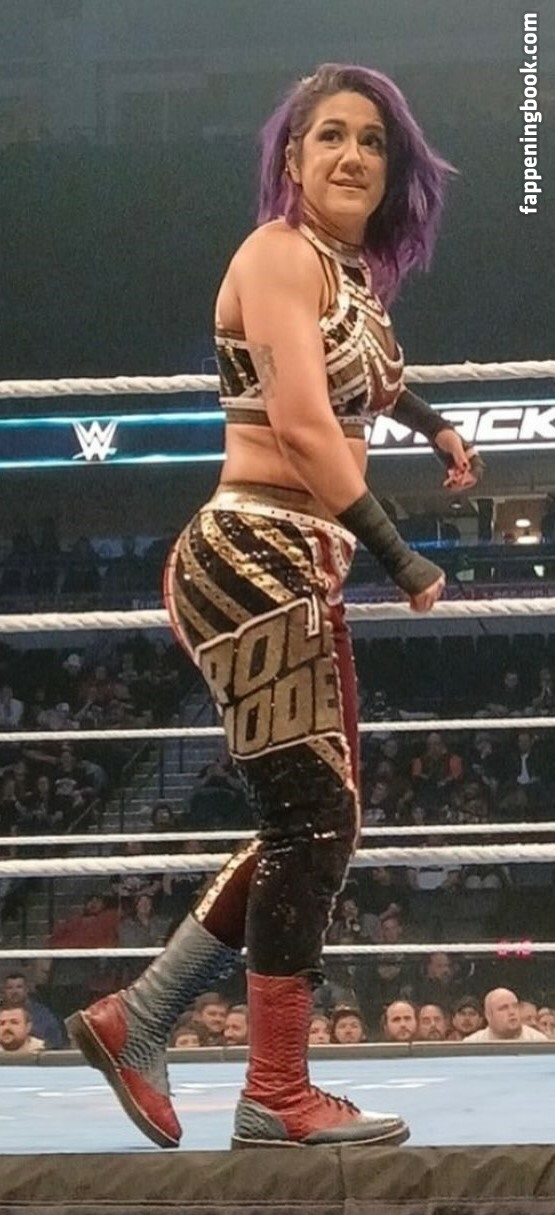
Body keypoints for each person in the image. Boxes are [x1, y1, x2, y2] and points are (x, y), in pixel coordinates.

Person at [67, 63, 481, 1150]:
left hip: (296, 564)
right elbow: (301, 422)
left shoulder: (347, 279)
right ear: (291, 158)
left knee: (312, 824)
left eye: (372, 141)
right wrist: (403, 557)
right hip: (253, 552)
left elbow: (367, 378)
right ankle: (275, 1093)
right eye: (330, 135)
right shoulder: (276, 254)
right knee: (316, 825)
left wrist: (434, 424)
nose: (353, 155)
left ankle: (140, 1017)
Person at [464, 988, 548, 1042]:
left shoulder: (538, 1041)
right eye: (503, 1008)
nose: (512, 1012)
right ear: (488, 1016)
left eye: (515, 1006)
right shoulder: (472, 1044)